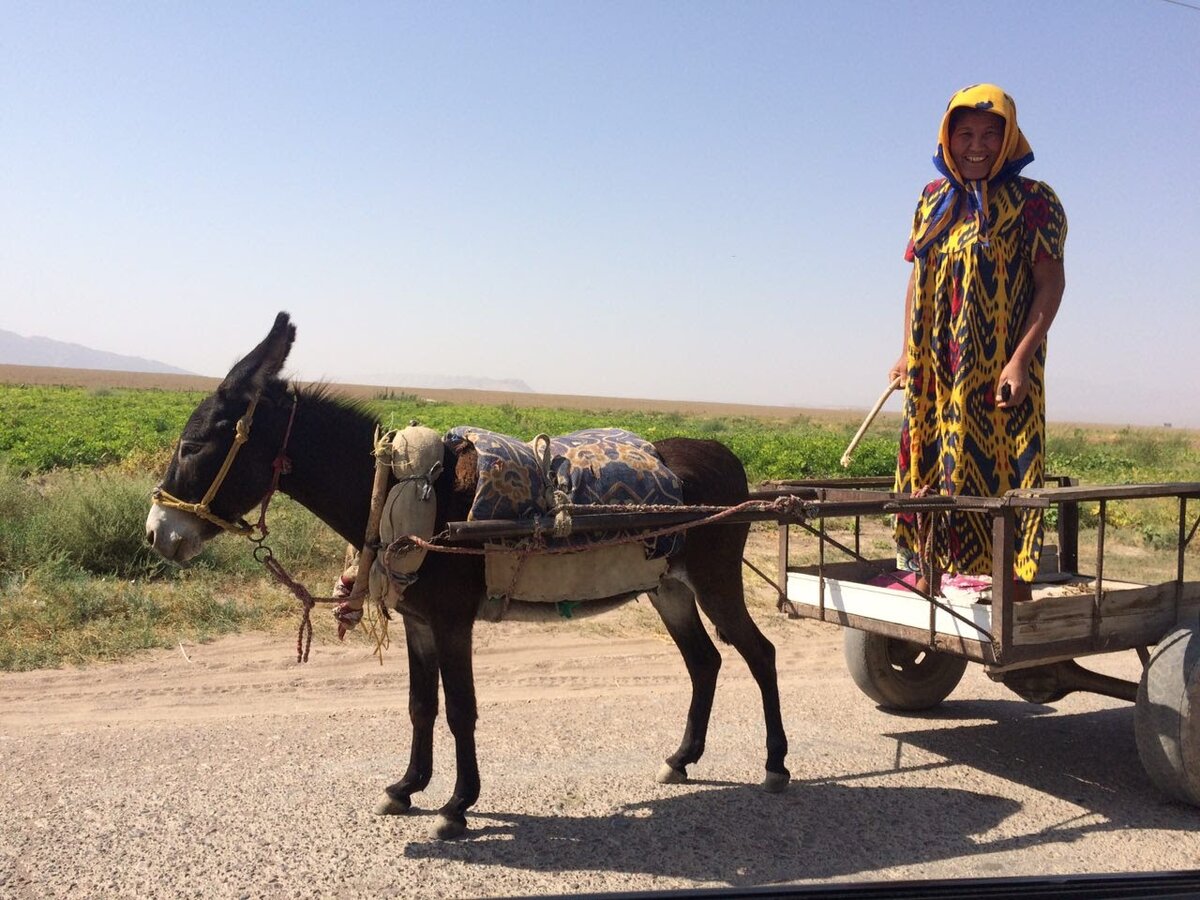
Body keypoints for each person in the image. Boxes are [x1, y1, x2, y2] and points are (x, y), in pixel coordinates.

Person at [889, 83, 1067, 602]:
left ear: (1010, 137)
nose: (977, 144)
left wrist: (1018, 361)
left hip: (1000, 369)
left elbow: (1050, 282)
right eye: (964, 132)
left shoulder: (1035, 201)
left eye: (992, 133)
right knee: (927, 460)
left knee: (1006, 467)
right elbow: (915, 278)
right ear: (947, 137)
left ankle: (1014, 587)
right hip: (935, 368)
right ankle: (927, 574)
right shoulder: (931, 200)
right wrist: (905, 350)